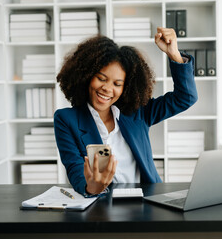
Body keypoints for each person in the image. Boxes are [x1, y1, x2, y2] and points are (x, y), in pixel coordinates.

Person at [54, 27, 198, 196]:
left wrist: (174, 54)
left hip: (147, 202)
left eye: (117, 84)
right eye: (101, 78)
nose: (107, 89)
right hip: (101, 207)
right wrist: (92, 187)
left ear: (126, 88)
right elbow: (74, 167)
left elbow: (186, 97)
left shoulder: (138, 113)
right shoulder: (66, 119)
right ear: (86, 76)